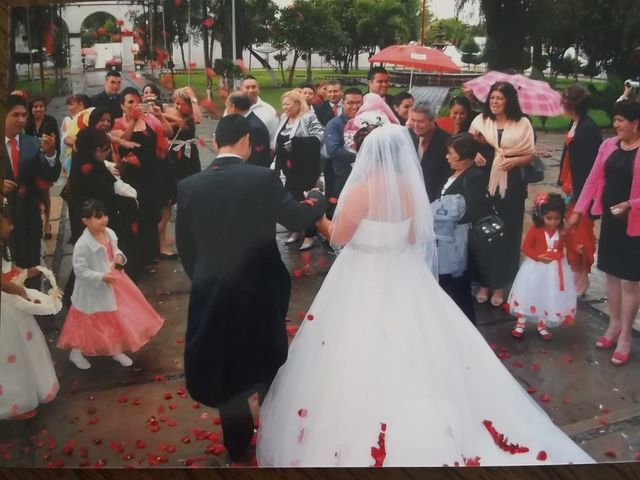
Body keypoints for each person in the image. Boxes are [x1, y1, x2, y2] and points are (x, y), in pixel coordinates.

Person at [256, 123, 593, 467]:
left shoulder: (360, 190)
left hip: (363, 274)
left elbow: (339, 237)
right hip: (404, 272)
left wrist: (319, 215)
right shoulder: (409, 188)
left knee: (357, 344)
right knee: (416, 342)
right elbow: (418, 233)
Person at [175, 115, 327, 462]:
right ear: (247, 141)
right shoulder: (262, 177)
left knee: (225, 360)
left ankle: (237, 442)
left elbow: (186, 245)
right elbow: (296, 219)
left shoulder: (189, 186)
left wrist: (204, 275)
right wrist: (317, 199)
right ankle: (276, 429)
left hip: (212, 286)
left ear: (216, 141)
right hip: (259, 285)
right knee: (266, 355)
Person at [567, 100, 640, 366]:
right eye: (615, 119)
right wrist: (579, 210)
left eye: (621, 120)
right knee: (611, 274)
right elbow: (593, 179)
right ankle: (614, 324)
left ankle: (626, 337)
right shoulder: (608, 146)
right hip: (611, 220)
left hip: (635, 224)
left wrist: (631, 205)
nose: (615, 125)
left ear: (636, 123)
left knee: (631, 281)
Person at [57, 199, 164, 370]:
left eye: (104, 215)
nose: (104, 219)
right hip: (92, 289)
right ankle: (76, 352)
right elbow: (80, 270)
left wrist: (120, 257)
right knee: (87, 320)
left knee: (116, 317)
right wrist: (101, 277)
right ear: (85, 221)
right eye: (97, 217)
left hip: (114, 281)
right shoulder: (83, 245)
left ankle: (116, 349)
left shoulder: (109, 233)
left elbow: (115, 251)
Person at [468, 81, 535, 307]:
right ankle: (484, 283)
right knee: (483, 233)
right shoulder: (480, 121)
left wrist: (515, 160)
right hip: (484, 182)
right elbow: (466, 145)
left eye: (500, 98)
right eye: (492, 98)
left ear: (509, 100)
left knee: (507, 233)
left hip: (511, 184)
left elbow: (529, 153)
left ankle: (499, 285)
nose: (495, 102)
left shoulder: (523, 123)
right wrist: (474, 152)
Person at [0, 201, 60, 420]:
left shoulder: (4, 245)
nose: (12, 227)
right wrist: (20, 291)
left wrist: (26, 272)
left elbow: (10, 268)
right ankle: (14, 401)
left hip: (12, 301)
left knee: (25, 345)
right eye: (8, 223)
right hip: (5, 306)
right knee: (8, 350)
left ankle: (32, 388)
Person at [111, 86, 171, 275]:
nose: (134, 105)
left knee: (150, 216)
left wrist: (159, 118)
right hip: (131, 178)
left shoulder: (150, 121)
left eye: (137, 101)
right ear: (122, 105)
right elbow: (121, 145)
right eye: (130, 102)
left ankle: (150, 256)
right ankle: (136, 259)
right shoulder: (118, 123)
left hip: (151, 175)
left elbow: (164, 139)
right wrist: (132, 122)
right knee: (133, 218)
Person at [3, 94, 61, 288]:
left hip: (29, 218)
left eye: (23, 115)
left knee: (32, 270)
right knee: (9, 273)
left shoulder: (32, 144)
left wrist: (51, 153)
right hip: (4, 222)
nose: (21, 120)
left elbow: (49, 175)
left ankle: (36, 306)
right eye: (15, 115)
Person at [433, 133, 489, 323]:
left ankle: (467, 328)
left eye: (451, 153)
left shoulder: (474, 176)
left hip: (459, 241)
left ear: (464, 155)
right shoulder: (454, 173)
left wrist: (444, 213)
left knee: (459, 289)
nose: (447, 157)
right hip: (445, 239)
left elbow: (475, 208)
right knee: (448, 286)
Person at [509, 193, 576, 340]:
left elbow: (571, 246)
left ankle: (542, 323)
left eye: (557, 219)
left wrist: (575, 253)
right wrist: (537, 256)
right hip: (535, 267)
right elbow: (525, 247)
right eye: (549, 218)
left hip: (555, 270)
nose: (553, 222)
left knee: (548, 294)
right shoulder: (535, 230)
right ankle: (521, 322)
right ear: (541, 216)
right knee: (530, 293)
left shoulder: (563, 231)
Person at [558, 85, 602, 296]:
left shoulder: (586, 129)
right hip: (570, 186)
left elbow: (588, 165)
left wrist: (580, 192)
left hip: (581, 190)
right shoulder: (576, 124)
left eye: (564, 99)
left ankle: (582, 275)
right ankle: (575, 272)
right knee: (570, 233)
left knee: (581, 234)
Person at [275, 90, 325, 251]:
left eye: (287, 104)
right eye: (283, 104)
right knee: (292, 201)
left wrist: (296, 143)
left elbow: (319, 138)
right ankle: (296, 229)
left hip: (306, 169)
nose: (284, 107)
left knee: (307, 201)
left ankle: (310, 234)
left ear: (297, 104)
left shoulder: (308, 117)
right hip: (289, 169)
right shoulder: (283, 118)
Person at [25, 95, 61, 241]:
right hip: (30, 163)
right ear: (31, 109)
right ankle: (36, 222)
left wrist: (53, 156)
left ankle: (47, 223)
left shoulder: (50, 121)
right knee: (32, 193)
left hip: (45, 162)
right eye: (35, 106)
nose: (38, 109)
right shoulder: (26, 123)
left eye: (41, 106)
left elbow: (56, 142)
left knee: (45, 192)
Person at [407, 101, 451, 202]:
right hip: (408, 199)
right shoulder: (406, 136)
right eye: (413, 120)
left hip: (433, 200)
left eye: (421, 121)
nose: (415, 125)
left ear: (433, 120)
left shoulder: (447, 142)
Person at [324, 88, 363, 199]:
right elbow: (334, 151)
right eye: (350, 103)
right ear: (343, 103)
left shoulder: (369, 121)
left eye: (358, 103)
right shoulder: (335, 124)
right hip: (344, 177)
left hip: (367, 178)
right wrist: (362, 157)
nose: (355, 107)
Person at [226, 92, 271, 168]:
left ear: (233, 107)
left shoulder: (255, 127)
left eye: (227, 107)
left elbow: (257, 159)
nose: (226, 111)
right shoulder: (245, 121)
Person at [239, 76, 279, 152]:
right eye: (247, 87)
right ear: (241, 90)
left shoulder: (269, 110)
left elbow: (273, 138)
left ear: (258, 89)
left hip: (261, 159)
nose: (250, 90)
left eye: (254, 87)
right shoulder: (233, 109)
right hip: (238, 159)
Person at [60, 94, 92, 175]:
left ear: (81, 104)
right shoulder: (68, 120)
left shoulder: (91, 116)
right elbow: (66, 139)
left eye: (71, 105)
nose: (68, 108)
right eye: (68, 105)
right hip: (71, 159)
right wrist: (78, 144)